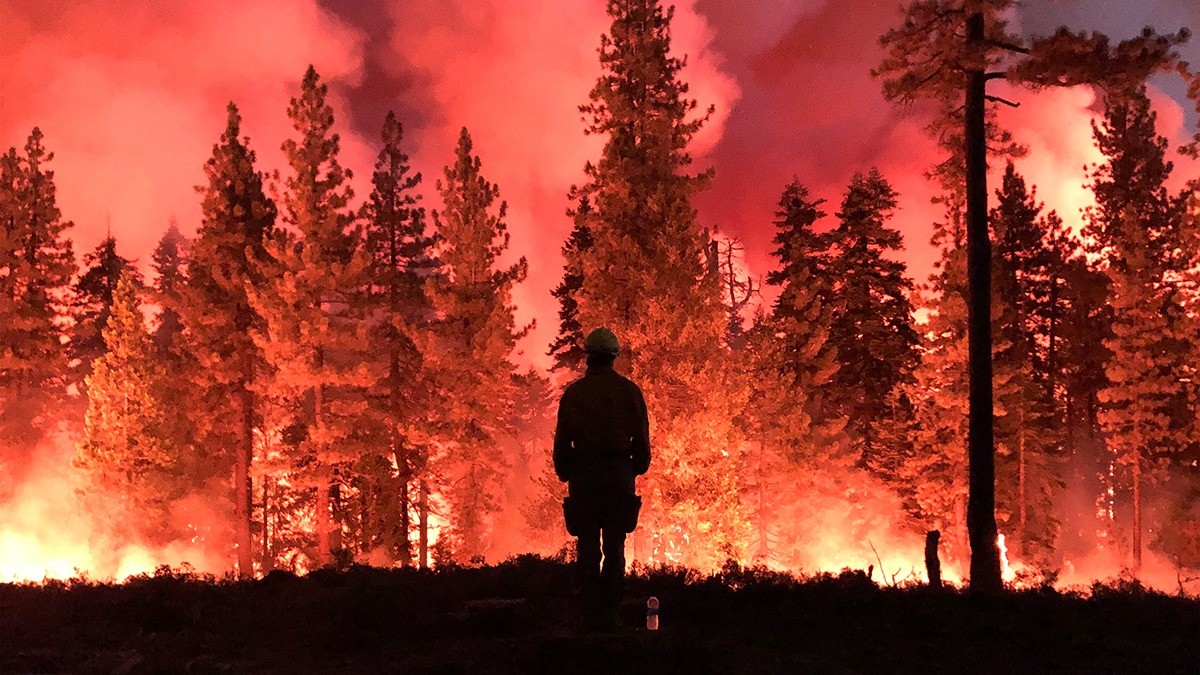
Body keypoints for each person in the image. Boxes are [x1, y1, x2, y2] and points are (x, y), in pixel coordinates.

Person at [554, 327, 651, 630]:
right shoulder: (630, 392)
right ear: (613, 357)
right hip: (618, 481)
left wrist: (567, 472)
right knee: (614, 547)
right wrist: (633, 469)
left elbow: (562, 443)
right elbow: (643, 445)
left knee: (587, 547)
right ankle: (610, 614)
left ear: (588, 358)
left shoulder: (573, 395)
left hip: (584, 481)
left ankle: (587, 614)